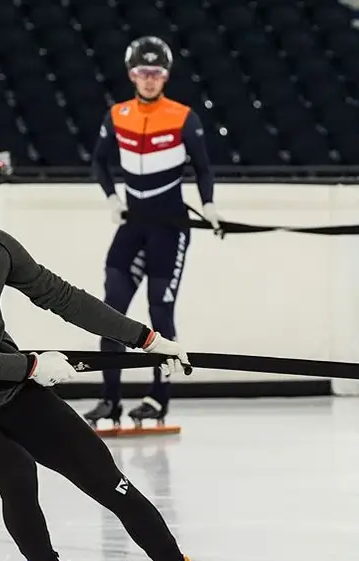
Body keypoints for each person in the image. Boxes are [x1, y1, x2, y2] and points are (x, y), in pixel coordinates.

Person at [0, 130, 248, 561]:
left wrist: (145, 338)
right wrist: (30, 366)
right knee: (16, 473)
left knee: (106, 476)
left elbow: (58, 294)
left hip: (12, 387)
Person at [87, 35, 223, 429]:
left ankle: (158, 399)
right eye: (142, 72)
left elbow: (203, 167)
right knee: (109, 312)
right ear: (132, 74)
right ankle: (109, 400)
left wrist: (210, 205)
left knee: (160, 312)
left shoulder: (183, 116)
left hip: (171, 228)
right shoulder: (117, 114)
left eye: (156, 72)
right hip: (133, 227)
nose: (149, 79)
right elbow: (98, 162)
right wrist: (113, 198)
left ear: (166, 75)